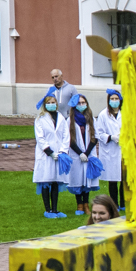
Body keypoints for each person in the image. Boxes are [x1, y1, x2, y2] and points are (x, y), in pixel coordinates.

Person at [33, 88, 69, 219]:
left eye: (53, 102)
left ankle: (55, 209)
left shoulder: (61, 118)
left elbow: (66, 135)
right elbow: (40, 138)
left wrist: (63, 151)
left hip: (59, 154)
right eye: (49, 102)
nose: (51, 104)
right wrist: (50, 152)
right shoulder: (40, 119)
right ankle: (47, 210)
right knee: (45, 181)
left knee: (55, 181)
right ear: (45, 104)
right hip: (46, 155)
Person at [63, 94, 99, 216]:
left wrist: (87, 153)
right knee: (77, 178)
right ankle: (79, 204)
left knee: (87, 178)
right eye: (79, 103)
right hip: (76, 154)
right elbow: (70, 139)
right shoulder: (70, 120)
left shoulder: (91, 119)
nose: (81, 105)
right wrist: (80, 153)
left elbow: (95, 137)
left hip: (89, 153)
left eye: (83, 103)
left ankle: (86, 204)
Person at [95, 89, 125, 209]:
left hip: (124, 148)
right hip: (110, 149)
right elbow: (99, 133)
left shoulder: (125, 113)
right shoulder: (103, 115)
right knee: (112, 179)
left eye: (116, 99)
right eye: (112, 99)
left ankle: (123, 203)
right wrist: (111, 137)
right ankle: (114, 203)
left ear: (120, 100)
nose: (114, 101)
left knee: (124, 178)